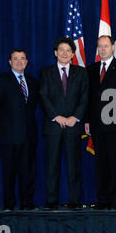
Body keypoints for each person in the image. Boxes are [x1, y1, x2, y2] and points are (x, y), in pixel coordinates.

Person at [39, 37, 89, 210]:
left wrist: (75, 117)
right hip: (53, 126)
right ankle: (51, 202)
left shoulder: (81, 73)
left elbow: (84, 97)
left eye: (68, 50)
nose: (65, 53)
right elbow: (43, 96)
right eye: (61, 50)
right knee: (52, 166)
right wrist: (56, 116)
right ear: (55, 53)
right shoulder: (46, 72)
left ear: (73, 54)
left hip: (73, 126)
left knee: (74, 166)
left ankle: (75, 201)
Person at [0, 48, 38, 211]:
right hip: (8, 136)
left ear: (27, 62)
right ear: (10, 62)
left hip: (28, 136)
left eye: (22, 58)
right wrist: (5, 126)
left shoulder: (32, 82)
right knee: (9, 173)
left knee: (28, 173)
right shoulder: (1, 80)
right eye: (15, 59)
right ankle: (8, 204)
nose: (19, 61)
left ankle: (27, 203)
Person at [85, 35, 116, 210]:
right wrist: (87, 120)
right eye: (100, 47)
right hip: (96, 124)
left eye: (106, 46)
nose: (103, 49)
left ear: (113, 47)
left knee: (114, 162)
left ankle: (114, 200)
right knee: (100, 162)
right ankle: (102, 199)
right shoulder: (91, 69)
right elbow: (89, 97)